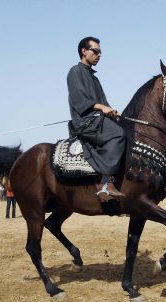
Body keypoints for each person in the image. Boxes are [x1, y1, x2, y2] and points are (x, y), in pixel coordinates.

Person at [67, 36, 126, 202]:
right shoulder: (74, 72)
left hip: (98, 120)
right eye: (96, 51)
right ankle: (105, 183)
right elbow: (80, 101)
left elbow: (104, 104)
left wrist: (113, 112)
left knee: (125, 128)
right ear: (84, 51)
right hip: (85, 122)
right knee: (118, 134)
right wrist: (102, 108)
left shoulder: (94, 78)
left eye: (100, 52)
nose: (99, 55)